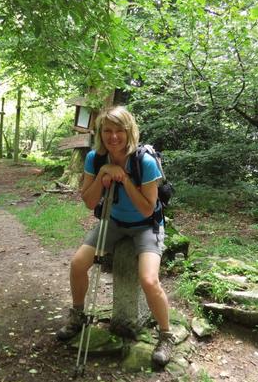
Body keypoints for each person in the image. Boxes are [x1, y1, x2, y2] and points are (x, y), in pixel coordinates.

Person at [56, 105, 174, 367]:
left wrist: (124, 179)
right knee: (78, 264)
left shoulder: (145, 161)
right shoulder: (94, 159)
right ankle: (77, 315)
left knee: (149, 280)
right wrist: (102, 175)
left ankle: (166, 335)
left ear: (129, 131)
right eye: (107, 131)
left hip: (147, 226)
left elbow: (146, 208)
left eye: (119, 130)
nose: (113, 137)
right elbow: (89, 201)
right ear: (100, 133)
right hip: (114, 221)